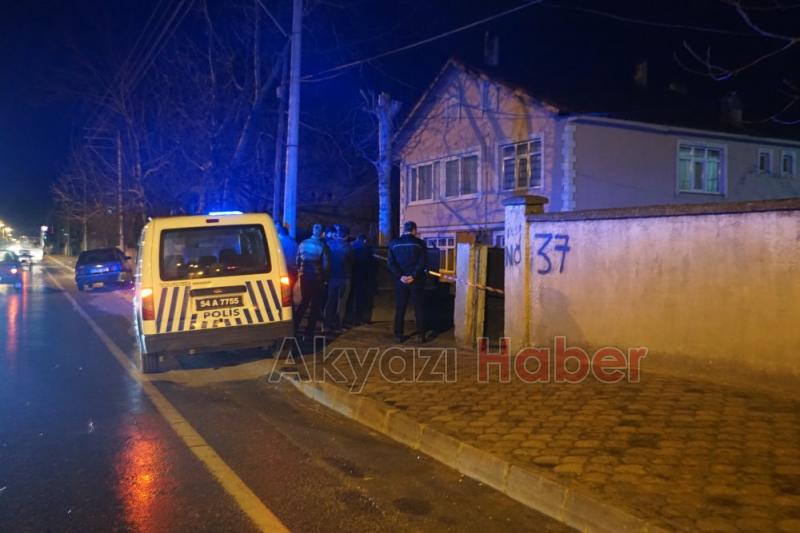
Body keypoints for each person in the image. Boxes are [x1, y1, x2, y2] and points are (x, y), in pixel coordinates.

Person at [387, 221, 428, 343]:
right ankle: (421, 335)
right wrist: (413, 276)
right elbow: (422, 263)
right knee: (418, 308)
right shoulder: (420, 244)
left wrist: (400, 276)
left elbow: (391, 263)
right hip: (416, 281)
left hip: (401, 282)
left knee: (400, 308)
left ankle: (398, 335)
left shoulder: (394, 244)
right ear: (414, 230)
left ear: (404, 230)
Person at [294, 224, 330, 338]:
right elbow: (326, 266)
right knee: (315, 306)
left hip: (305, 278)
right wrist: (325, 279)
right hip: (317, 280)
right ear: (322, 234)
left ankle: (294, 327)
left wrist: (301, 272)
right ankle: (309, 333)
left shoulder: (303, 243)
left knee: (303, 303)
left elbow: (298, 260)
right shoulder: (322, 246)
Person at [324, 224, 353, 332]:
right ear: (347, 235)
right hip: (344, 277)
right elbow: (352, 262)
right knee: (342, 303)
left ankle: (326, 324)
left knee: (330, 301)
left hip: (332, 277)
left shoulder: (329, 244)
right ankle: (339, 325)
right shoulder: (349, 247)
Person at [349, 233, 375, 325]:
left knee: (350, 299)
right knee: (361, 299)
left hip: (351, 276)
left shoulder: (351, 247)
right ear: (364, 240)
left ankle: (350, 319)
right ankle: (361, 319)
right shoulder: (367, 249)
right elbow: (371, 264)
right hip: (363, 278)